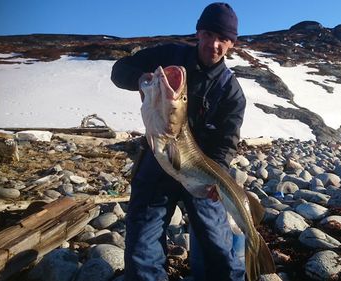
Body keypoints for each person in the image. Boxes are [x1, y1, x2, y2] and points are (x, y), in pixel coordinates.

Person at [110, 3, 246, 281]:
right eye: (208, 34)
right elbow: (119, 70)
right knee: (141, 245)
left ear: (232, 43)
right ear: (198, 33)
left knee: (217, 245)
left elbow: (226, 143)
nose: (214, 44)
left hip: (201, 171)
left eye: (223, 39)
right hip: (158, 158)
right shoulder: (169, 55)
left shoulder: (232, 93)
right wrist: (141, 79)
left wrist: (214, 179)